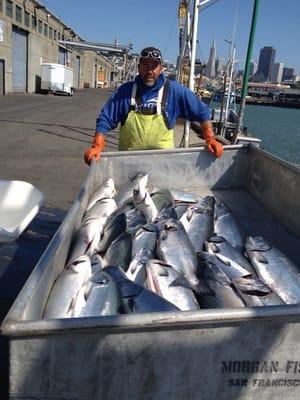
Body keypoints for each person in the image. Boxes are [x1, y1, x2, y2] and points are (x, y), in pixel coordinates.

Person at [84, 46, 223, 164]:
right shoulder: (125, 91)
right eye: (145, 65)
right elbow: (105, 118)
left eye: (154, 66)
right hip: (127, 163)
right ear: (139, 67)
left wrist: (210, 138)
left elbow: (202, 112)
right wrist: (97, 145)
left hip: (162, 164)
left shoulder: (175, 91)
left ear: (161, 68)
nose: (149, 71)